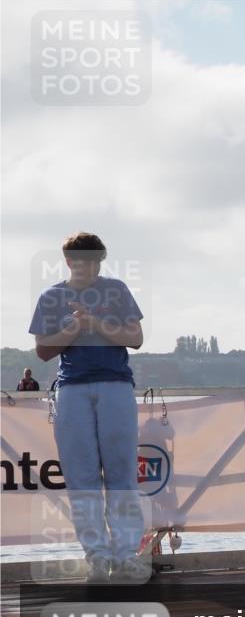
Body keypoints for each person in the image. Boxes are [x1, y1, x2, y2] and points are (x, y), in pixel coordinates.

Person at [29, 232, 148, 583]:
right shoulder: (52, 296)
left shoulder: (117, 290)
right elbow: (43, 349)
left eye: (95, 259)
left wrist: (95, 323)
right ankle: (97, 556)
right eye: (82, 259)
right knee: (81, 478)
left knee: (122, 474)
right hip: (72, 389)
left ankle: (127, 555)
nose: (89, 266)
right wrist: (74, 328)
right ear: (68, 261)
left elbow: (135, 338)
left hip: (116, 385)